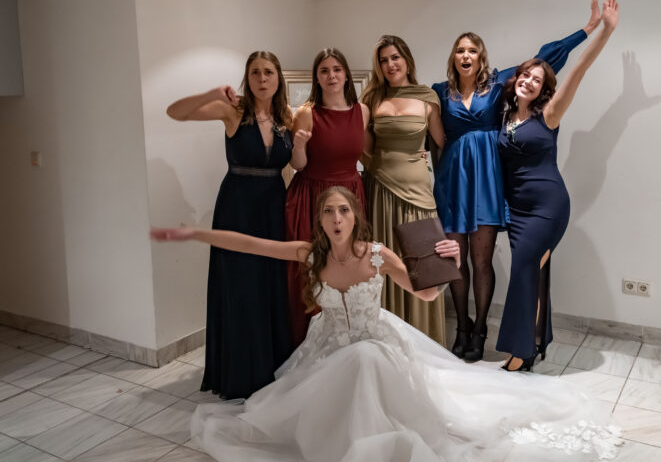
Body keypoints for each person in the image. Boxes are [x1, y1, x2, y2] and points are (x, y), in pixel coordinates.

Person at [151, 186, 621, 462]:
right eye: (328, 212)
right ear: (320, 220)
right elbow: (250, 244)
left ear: (355, 217)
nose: (336, 218)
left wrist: (451, 262)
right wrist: (193, 233)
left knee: (365, 358)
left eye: (344, 210)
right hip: (327, 353)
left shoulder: (377, 255)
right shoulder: (309, 253)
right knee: (323, 388)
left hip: (377, 347)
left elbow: (425, 294)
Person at [432, 0, 602, 362]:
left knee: (481, 260)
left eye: (472, 50)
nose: (465, 55)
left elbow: (545, 59)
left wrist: (587, 29)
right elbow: (425, 130)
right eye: (460, 50)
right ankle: (461, 327)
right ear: (453, 57)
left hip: (487, 182)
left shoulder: (497, 85)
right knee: (454, 259)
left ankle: (481, 329)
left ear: (481, 57)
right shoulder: (438, 92)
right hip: (453, 181)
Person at [498, 0, 620, 372]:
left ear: (544, 88)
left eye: (537, 79)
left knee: (523, 271)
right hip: (517, 210)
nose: (529, 81)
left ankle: (519, 355)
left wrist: (603, 31)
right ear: (516, 78)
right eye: (525, 75)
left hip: (547, 208)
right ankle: (535, 343)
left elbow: (578, 69)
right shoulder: (503, 117)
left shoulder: (549, 114)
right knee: (530, 273)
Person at [165, 51, 294, 398]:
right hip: (238, 207)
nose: (262, 79)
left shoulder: (287, 118)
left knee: (269, 285)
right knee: (240, 286)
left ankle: (270, 366)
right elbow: (175, 112)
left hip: (273, 207)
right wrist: (211, 94)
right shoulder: (234, 111)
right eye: (255, 72)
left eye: (268, 72)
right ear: (247, 79)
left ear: (278, 77)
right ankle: (240, 374)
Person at [361, 35, 447, 345]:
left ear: (407, 60)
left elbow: (441, 144)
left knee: (424, 268)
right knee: (384, 265)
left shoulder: (428, 98)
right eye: (383, 60)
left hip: (419, 194)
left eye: (395, 57)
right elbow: (365, 147)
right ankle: (387, 344)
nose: (390, 65)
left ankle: (425, 341)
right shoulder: (372, 98)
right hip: (380, 191)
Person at [284, 48, 370, 347]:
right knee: (312, 273)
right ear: (317, 78)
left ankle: (347, 345)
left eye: (336, 69)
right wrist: (298, 145)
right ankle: (311, 348)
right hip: (313, 199)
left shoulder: (362, 111)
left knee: (348, 269)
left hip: (350, 197)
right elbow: (298, 165)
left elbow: (364, 153)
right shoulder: (307, 113)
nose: (331, 75)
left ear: (346, 75)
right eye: (324, 70)